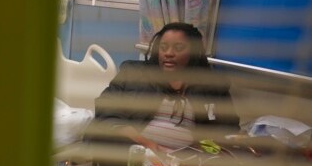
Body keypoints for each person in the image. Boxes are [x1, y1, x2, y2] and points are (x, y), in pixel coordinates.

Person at [93, 22, 240, 153]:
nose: (169, 53)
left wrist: (198, 150)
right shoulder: (134, 74)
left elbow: (227, 129)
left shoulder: (211, 86)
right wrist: (148, 144)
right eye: (163, 47)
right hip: (133, 153)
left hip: (186, 164)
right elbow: (106, 111)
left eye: (178, 48)